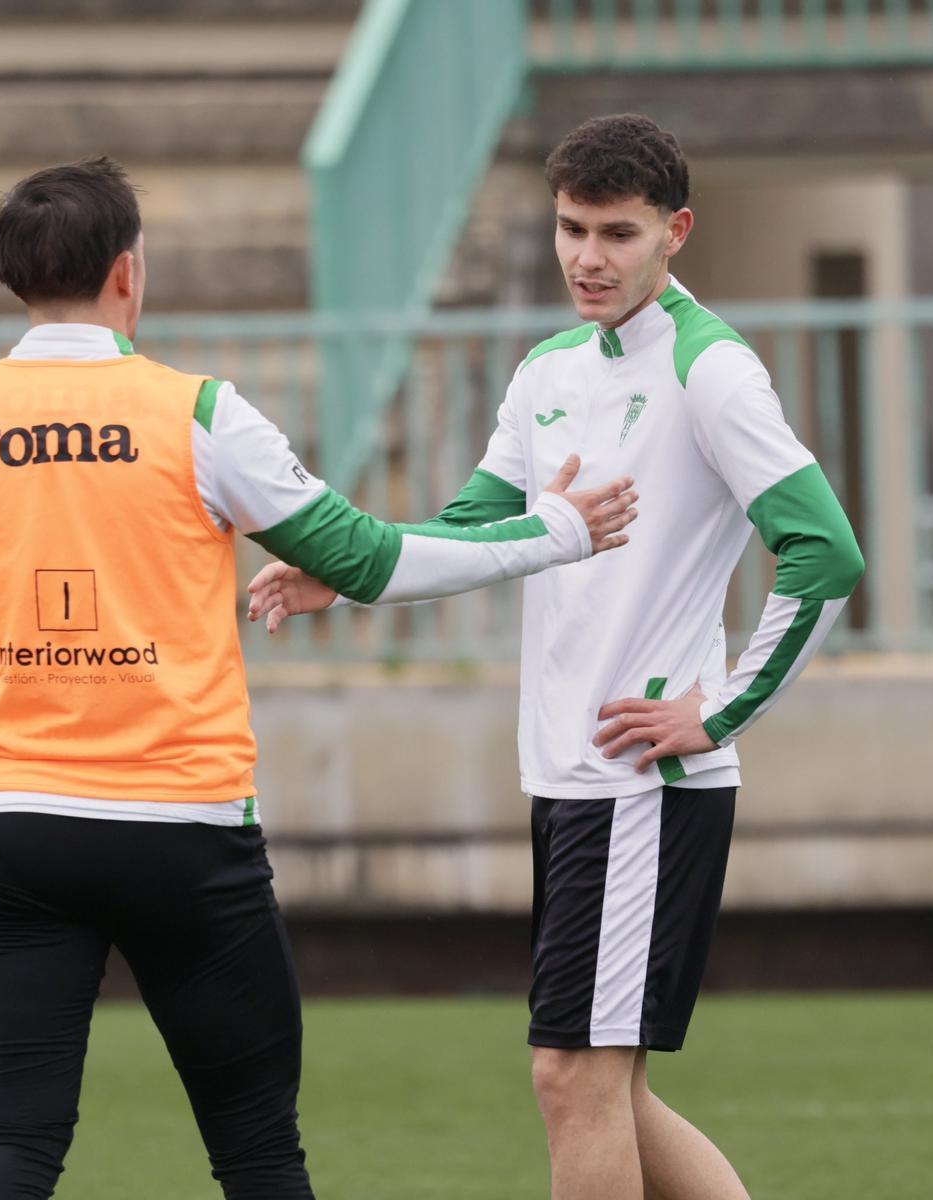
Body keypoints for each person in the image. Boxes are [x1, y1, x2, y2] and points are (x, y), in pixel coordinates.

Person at [0, 156, 638, 1200]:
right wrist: (551, 532)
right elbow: (363, 560)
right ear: (129, 273)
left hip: (11, 831)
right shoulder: (196, 414)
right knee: (259, 1155)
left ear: (11, 276)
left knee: (13, 1150)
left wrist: (13, 745)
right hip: (183, 832)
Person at [247, 114, 865, 1200]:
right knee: (603, 1086)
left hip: (642, 784)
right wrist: (348, 571)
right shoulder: (544, 371)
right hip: (568, 780)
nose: (588, 256)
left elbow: (826, 552)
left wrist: (718, 714)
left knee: (570, 1076)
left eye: (617, 233)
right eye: (572, 228)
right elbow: (478, 528)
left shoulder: (712, 369)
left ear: (676, 232)